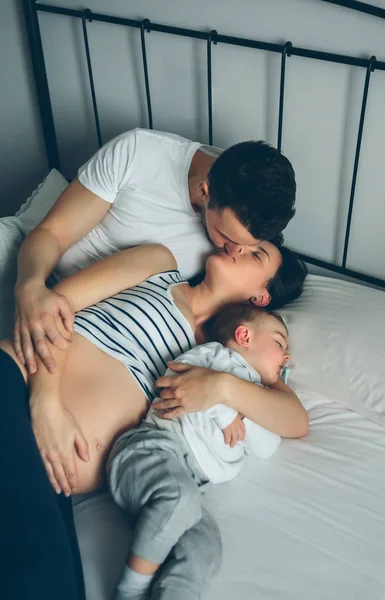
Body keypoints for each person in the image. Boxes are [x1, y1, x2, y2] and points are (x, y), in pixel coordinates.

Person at [0, 240, 307, 600]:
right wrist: (46, 404)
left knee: (52, 588)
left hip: (54, 476)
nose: (237, 246)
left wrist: (223, 386)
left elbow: (296, 421)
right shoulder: (158, 265)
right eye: (243, 242)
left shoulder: (237, 363)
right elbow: (51, 309)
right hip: (19, 393)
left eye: (254, 254)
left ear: (261, 296)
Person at [13, 128, 297, 377]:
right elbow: (52, 233)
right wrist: (31, 285)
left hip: (100, 326)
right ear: (205, 191)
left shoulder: (247, 216)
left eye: (250, 246)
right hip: (46, 279)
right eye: (225, 237)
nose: (234, 251)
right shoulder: (138, 153)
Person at [108, 305, 290, 600]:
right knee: (181, 499)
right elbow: (176, 380)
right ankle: (130, 591)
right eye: (280, 343)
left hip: (189, 482)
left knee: (205, 546)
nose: (287, 356)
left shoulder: (259, 395)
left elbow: (267, 447)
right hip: (151, 449)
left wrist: (244, 416)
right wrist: (223, 409)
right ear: (244, 335)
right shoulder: (213, 356)